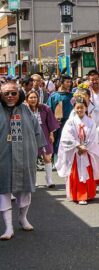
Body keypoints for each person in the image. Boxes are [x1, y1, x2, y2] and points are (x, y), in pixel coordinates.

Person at [0, 82, 46, 240]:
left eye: (13, 93)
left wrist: (40, 151)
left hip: (25, 156)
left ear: (19, 94)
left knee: (25, 189)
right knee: (3, 190)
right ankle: (8, 227)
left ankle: (23, 218)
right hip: (3, 157)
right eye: (6, 93)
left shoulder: (26, 110)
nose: (10, 96)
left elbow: (37, 131)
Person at [56, 96, 99, 205]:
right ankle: (79, 195)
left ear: (86, 108)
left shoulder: (90, 122)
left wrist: (85, 147)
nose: (80, 110)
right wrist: (78, 145)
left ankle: (89, 194)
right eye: (77, 108)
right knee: (77, 174)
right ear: (74, 108)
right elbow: (66, 137)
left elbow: (93, 137)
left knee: (88, 172)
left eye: (82, 107)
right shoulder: (70, 122)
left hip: (87, 151)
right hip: (75, 153)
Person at [25, 90, 60, 188]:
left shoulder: (45, 108)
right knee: (32, 159)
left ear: (38, 98)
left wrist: (51, 134)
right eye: (31, 98)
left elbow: (50, 122)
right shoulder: (24, 109)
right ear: (27, 99)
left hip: (44, 133)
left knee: (47, 158)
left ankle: (49, 180)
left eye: (35, 97)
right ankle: (34, 180)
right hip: (30, 136)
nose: (33, 99)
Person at [47, 75, 74, 157]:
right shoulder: (54, 96)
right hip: (57, 123)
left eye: (70, 82)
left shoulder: (72, 96)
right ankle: (56, 159)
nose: (69, 84)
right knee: (56, 142)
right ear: (61, 83)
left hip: (70, 122)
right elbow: (49, 111)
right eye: (67, 82)